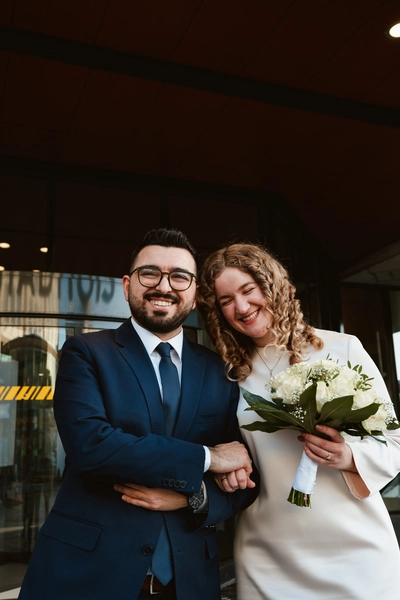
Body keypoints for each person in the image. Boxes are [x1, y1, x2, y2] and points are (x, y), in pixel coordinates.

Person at [18, 229, 258, 600]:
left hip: (188, 579)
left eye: (179, 276)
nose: (164, 286)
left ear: (195, 295)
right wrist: (208, 458)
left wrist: (191, 497)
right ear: (128, 284)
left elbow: (244, 479)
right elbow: (93, 447)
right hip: (89, 574)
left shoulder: (220, 370)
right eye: (150, 273)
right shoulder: (85, 352)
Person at [196, 241, 400, 600]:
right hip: (268, 554)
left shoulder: (343, 348)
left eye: (248, 290)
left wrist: (349, 456)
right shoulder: (228, 374)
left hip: (356, 550)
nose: (241, 307)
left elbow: (394, 443)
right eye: (226, 301)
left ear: (271, 284)